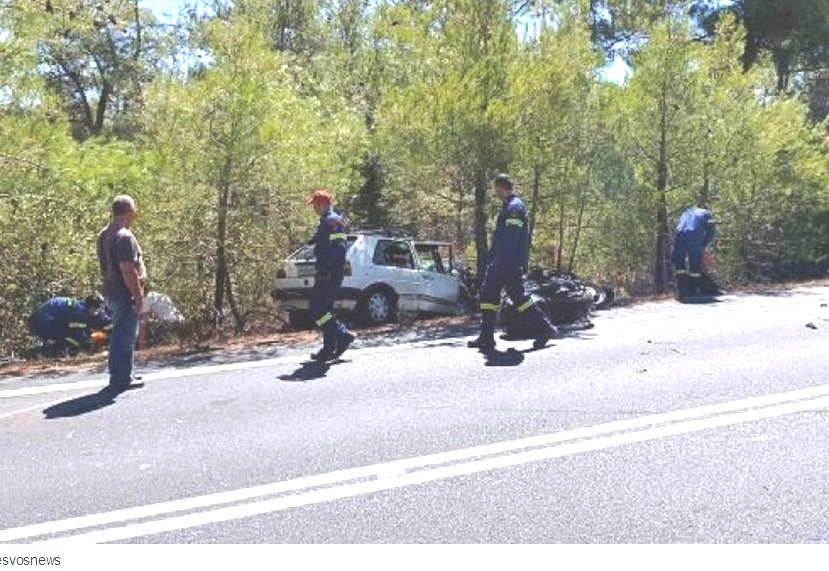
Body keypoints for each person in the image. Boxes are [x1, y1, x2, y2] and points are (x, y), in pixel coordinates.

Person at [468, 174, 559, 353]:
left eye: (496, 189)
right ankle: (486, 337)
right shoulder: (509, 206)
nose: (496, 193)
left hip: (507, 262)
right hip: (500, 262)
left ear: (501, 187)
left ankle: (545, 328)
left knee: (518, 297)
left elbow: (511, 238)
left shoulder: (514, 207)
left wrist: (505, 262)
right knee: (488, 296)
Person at [97, 195, 146, 390]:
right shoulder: (124, 236)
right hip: (123, 292)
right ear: (130, 212)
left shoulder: (105, 233)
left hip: (110, 290)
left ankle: (125, 372)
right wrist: (137, 295)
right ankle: (121, 378)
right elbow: (127, 268)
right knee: (124, 335)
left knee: (121, 333)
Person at [306, 189, 356, 361]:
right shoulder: (326, 221)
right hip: (326, 272)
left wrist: (330, 270)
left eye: (314, 205)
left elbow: (339, 248)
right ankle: (328, 349)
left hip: (329, 273)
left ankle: (342, 335)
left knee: (316, 310)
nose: (313, 208)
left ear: (322, 204)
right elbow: (327, 241)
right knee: (324, 310)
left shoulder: (333, 220)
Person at [28, 294, 112, 356]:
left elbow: (107, 323)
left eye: (99, 308)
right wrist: (89, 346)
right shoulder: (79, 311)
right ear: (88, 306)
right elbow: (78, 335)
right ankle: (43, 352)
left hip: (54, 319)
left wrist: (110, 338)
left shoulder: (95, 309)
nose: (97, 311)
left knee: (76, 339)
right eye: (95, 308)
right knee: (68, 338)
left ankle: (58, 350)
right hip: (43, 321)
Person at [672, 202, 716, 301]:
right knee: (695, 264)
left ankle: (682, 292)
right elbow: (711, 231)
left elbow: (679, 226)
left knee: (679, 265)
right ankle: (693, 291)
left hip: (679, 235)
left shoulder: (686, 213)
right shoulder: (706, 213)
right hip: (694, 235)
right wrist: (703, 244)